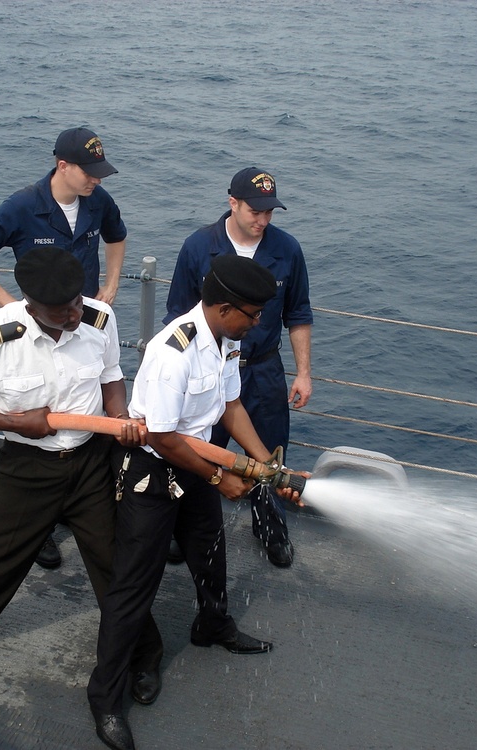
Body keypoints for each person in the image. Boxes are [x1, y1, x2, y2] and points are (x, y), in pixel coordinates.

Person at [0, 247, 163, 705]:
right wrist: (14, 422)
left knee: (115, 561)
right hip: (27, 467)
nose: (74, 315)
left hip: (92, 461)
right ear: (29, 306)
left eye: (75, 303)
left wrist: (119, 418)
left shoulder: (98, 318)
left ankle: (143, 653)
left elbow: (110, 374)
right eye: (60, 311)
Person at [86, 254, 304, 750]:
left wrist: (265, 463)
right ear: (225, 308)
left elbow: (229, 407)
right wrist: (219, 477)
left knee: (209, 551)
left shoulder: (226, 341)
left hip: (198, 461)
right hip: (157, 469)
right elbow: (161, 437)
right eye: (252, 314)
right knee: (133, 585)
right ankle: (105, 698)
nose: (257, 323)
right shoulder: (173, 351)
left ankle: (213, 625)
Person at [0, 126, 128, 569]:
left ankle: (79, 508)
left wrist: (110, 283)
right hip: (37, 332)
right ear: (62, 166)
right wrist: (13, 306)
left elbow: (116, 235)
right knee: (40, 421)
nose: (96, 182)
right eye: (89, 173)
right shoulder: (21, 207)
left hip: (84, 332)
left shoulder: (98, 201)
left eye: (100, 174)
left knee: (82, 423)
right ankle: (42, 527)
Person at [165, 167, 312, 568]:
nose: (262, 220)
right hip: (209, 371)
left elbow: (298, 314)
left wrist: (303, 372)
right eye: (254, 211)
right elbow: (177, 314)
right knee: (197, 446)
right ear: (233, 203)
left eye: (269, 213)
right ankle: (183, 527)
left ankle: (269, 527)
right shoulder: (198, 247)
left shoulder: (287, 249)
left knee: (268, 449)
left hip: (263, 371)